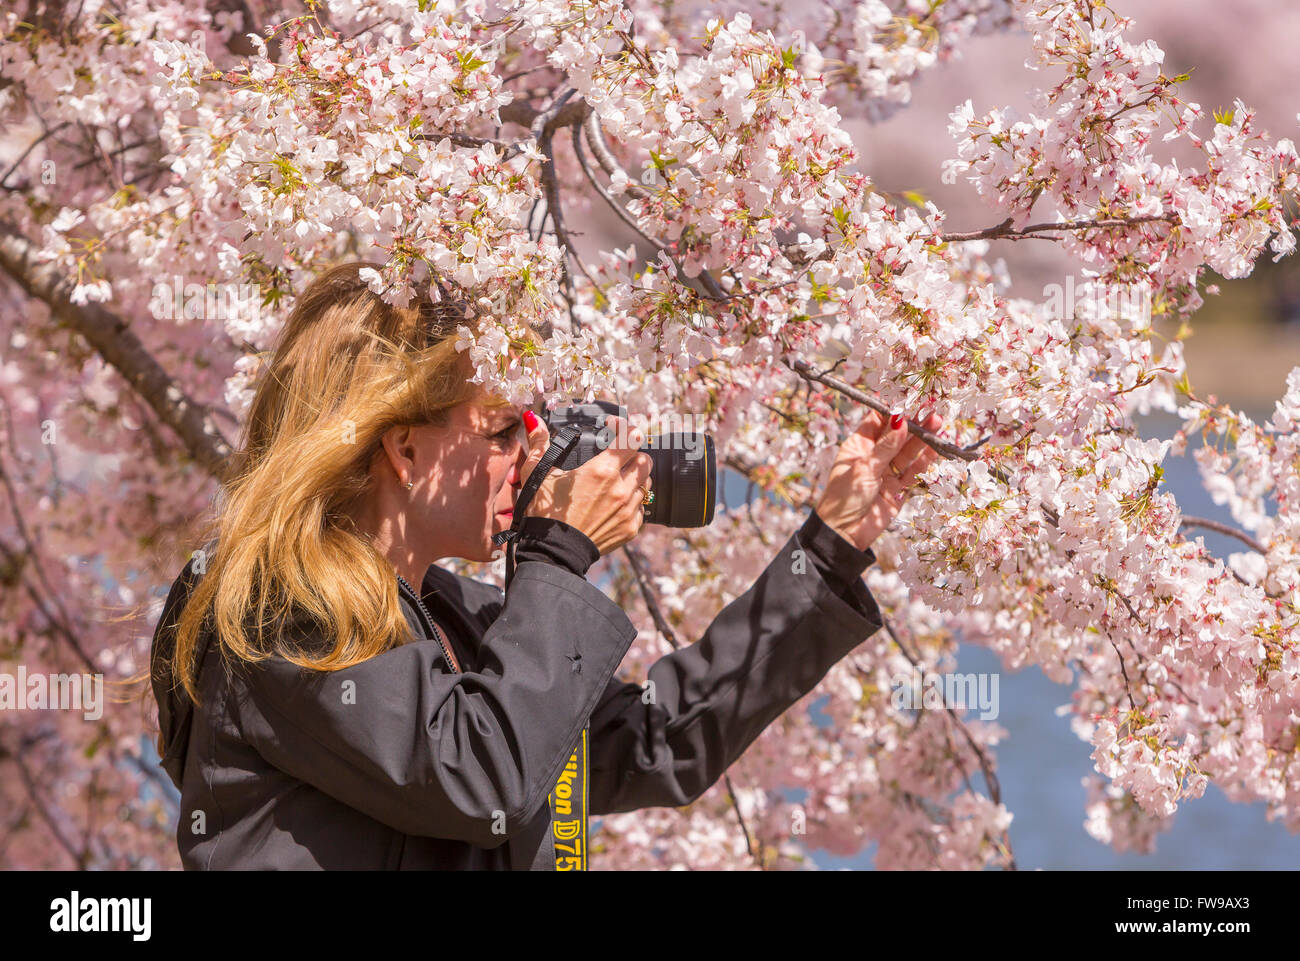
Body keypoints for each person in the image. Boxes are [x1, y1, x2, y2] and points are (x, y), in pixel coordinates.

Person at [149, 261, 943, 870]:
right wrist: (559, 555)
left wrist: (828, 548)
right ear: (404, 445)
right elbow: (479, 772)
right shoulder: (277, 610)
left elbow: (654, 743)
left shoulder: (457, 618)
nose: (524, 458)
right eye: (501, 430)